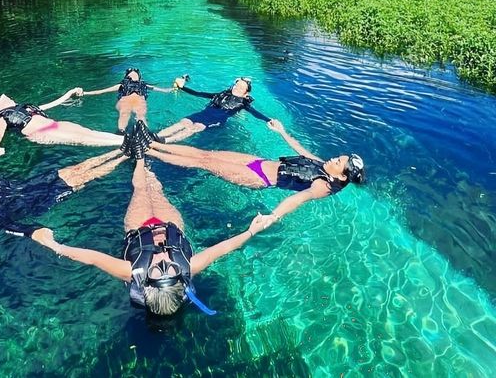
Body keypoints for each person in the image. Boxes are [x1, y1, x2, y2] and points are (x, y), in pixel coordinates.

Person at [33, 158, 271, 316]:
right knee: (156, 189)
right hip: (170, 224)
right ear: (181, 280)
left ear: (146, 282)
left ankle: (138, 158)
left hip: (139, 226)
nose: (164, 261)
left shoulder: (131, 272)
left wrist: (55, 245)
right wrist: (252, 230)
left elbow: (92, 258)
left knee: (140, 190)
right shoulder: (188, 267)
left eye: (158, 270)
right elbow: (223, 248)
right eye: (172, 270)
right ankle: (148, 166)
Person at [144, 119, 365, 224]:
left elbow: (299, 198)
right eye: (338, 157)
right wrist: (282, 132)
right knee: (206, 154)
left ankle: (150, 153)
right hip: (259, 162)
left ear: (341, 176)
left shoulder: (323, 186)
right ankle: (154, 143)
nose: (334, 158)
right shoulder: (323, 164)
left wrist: (274, 216)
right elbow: (301, 150)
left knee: (204, 163)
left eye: (338, 161)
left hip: (257, 177)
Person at [0, 149, 128, 245]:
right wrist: (32, 232)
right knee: (86, 176)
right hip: (42, 197)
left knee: (78, 167)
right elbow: (4, 224)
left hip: (33, 183)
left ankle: (122, 148)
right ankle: (128, 155)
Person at [0, 91, 124, 157]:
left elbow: (54, 103)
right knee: (82, 139)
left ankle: (124, 139)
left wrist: (70, 93)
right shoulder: (3, 118)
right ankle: (127, 143)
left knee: (89, 133)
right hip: (42, 133)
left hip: (56, 125)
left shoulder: (27, 108)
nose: (1, 96)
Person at [157, 76, 271, 143]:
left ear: (246, 93)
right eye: (236, 85)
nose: (237, 88)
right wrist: (183, 88)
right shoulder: (220, 95)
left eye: (241, 88)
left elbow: (255, 113)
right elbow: (199, 94)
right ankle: (156, 136)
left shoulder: (243, 103)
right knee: (183, 122)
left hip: (216, 120)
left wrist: (268, 120)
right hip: (203, 114)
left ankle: (165, 141)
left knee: (195, 127)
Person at [76, 68, 175, 133]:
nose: (133, 73)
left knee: (130, 115)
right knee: (136, 116)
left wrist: (167, 90)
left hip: (130, 101)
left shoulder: (135, 84)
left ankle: (123, 133)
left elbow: (101, 91)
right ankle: (141, 135)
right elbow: (101, 91)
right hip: (134, 101)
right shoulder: (126, 85)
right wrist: (84, 93)